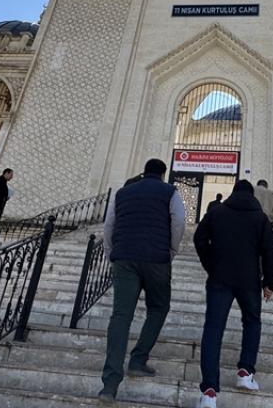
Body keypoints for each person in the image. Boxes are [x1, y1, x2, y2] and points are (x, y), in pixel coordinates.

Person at [98, 158, 186, 404]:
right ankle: (138, 359)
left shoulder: (122, 192)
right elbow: (179, 221)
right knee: (158, 308)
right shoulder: (170, 191)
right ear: (163, 173)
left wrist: (111, 252)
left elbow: (109, 225)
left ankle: (110, 384)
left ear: (144, 172)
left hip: (124, 258)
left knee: (120, 316)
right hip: (156, 259)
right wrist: (171, 250)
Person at [193, 180, 273, 408]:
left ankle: (209, 392)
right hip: (249, 280)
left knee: (213, 329)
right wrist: (269, 283)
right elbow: (271, 250)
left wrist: (211, 264)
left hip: (220, 279)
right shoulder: (259, 218)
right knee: (252, 322)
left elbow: (199, 238)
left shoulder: (217, 212)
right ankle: (245, 372)